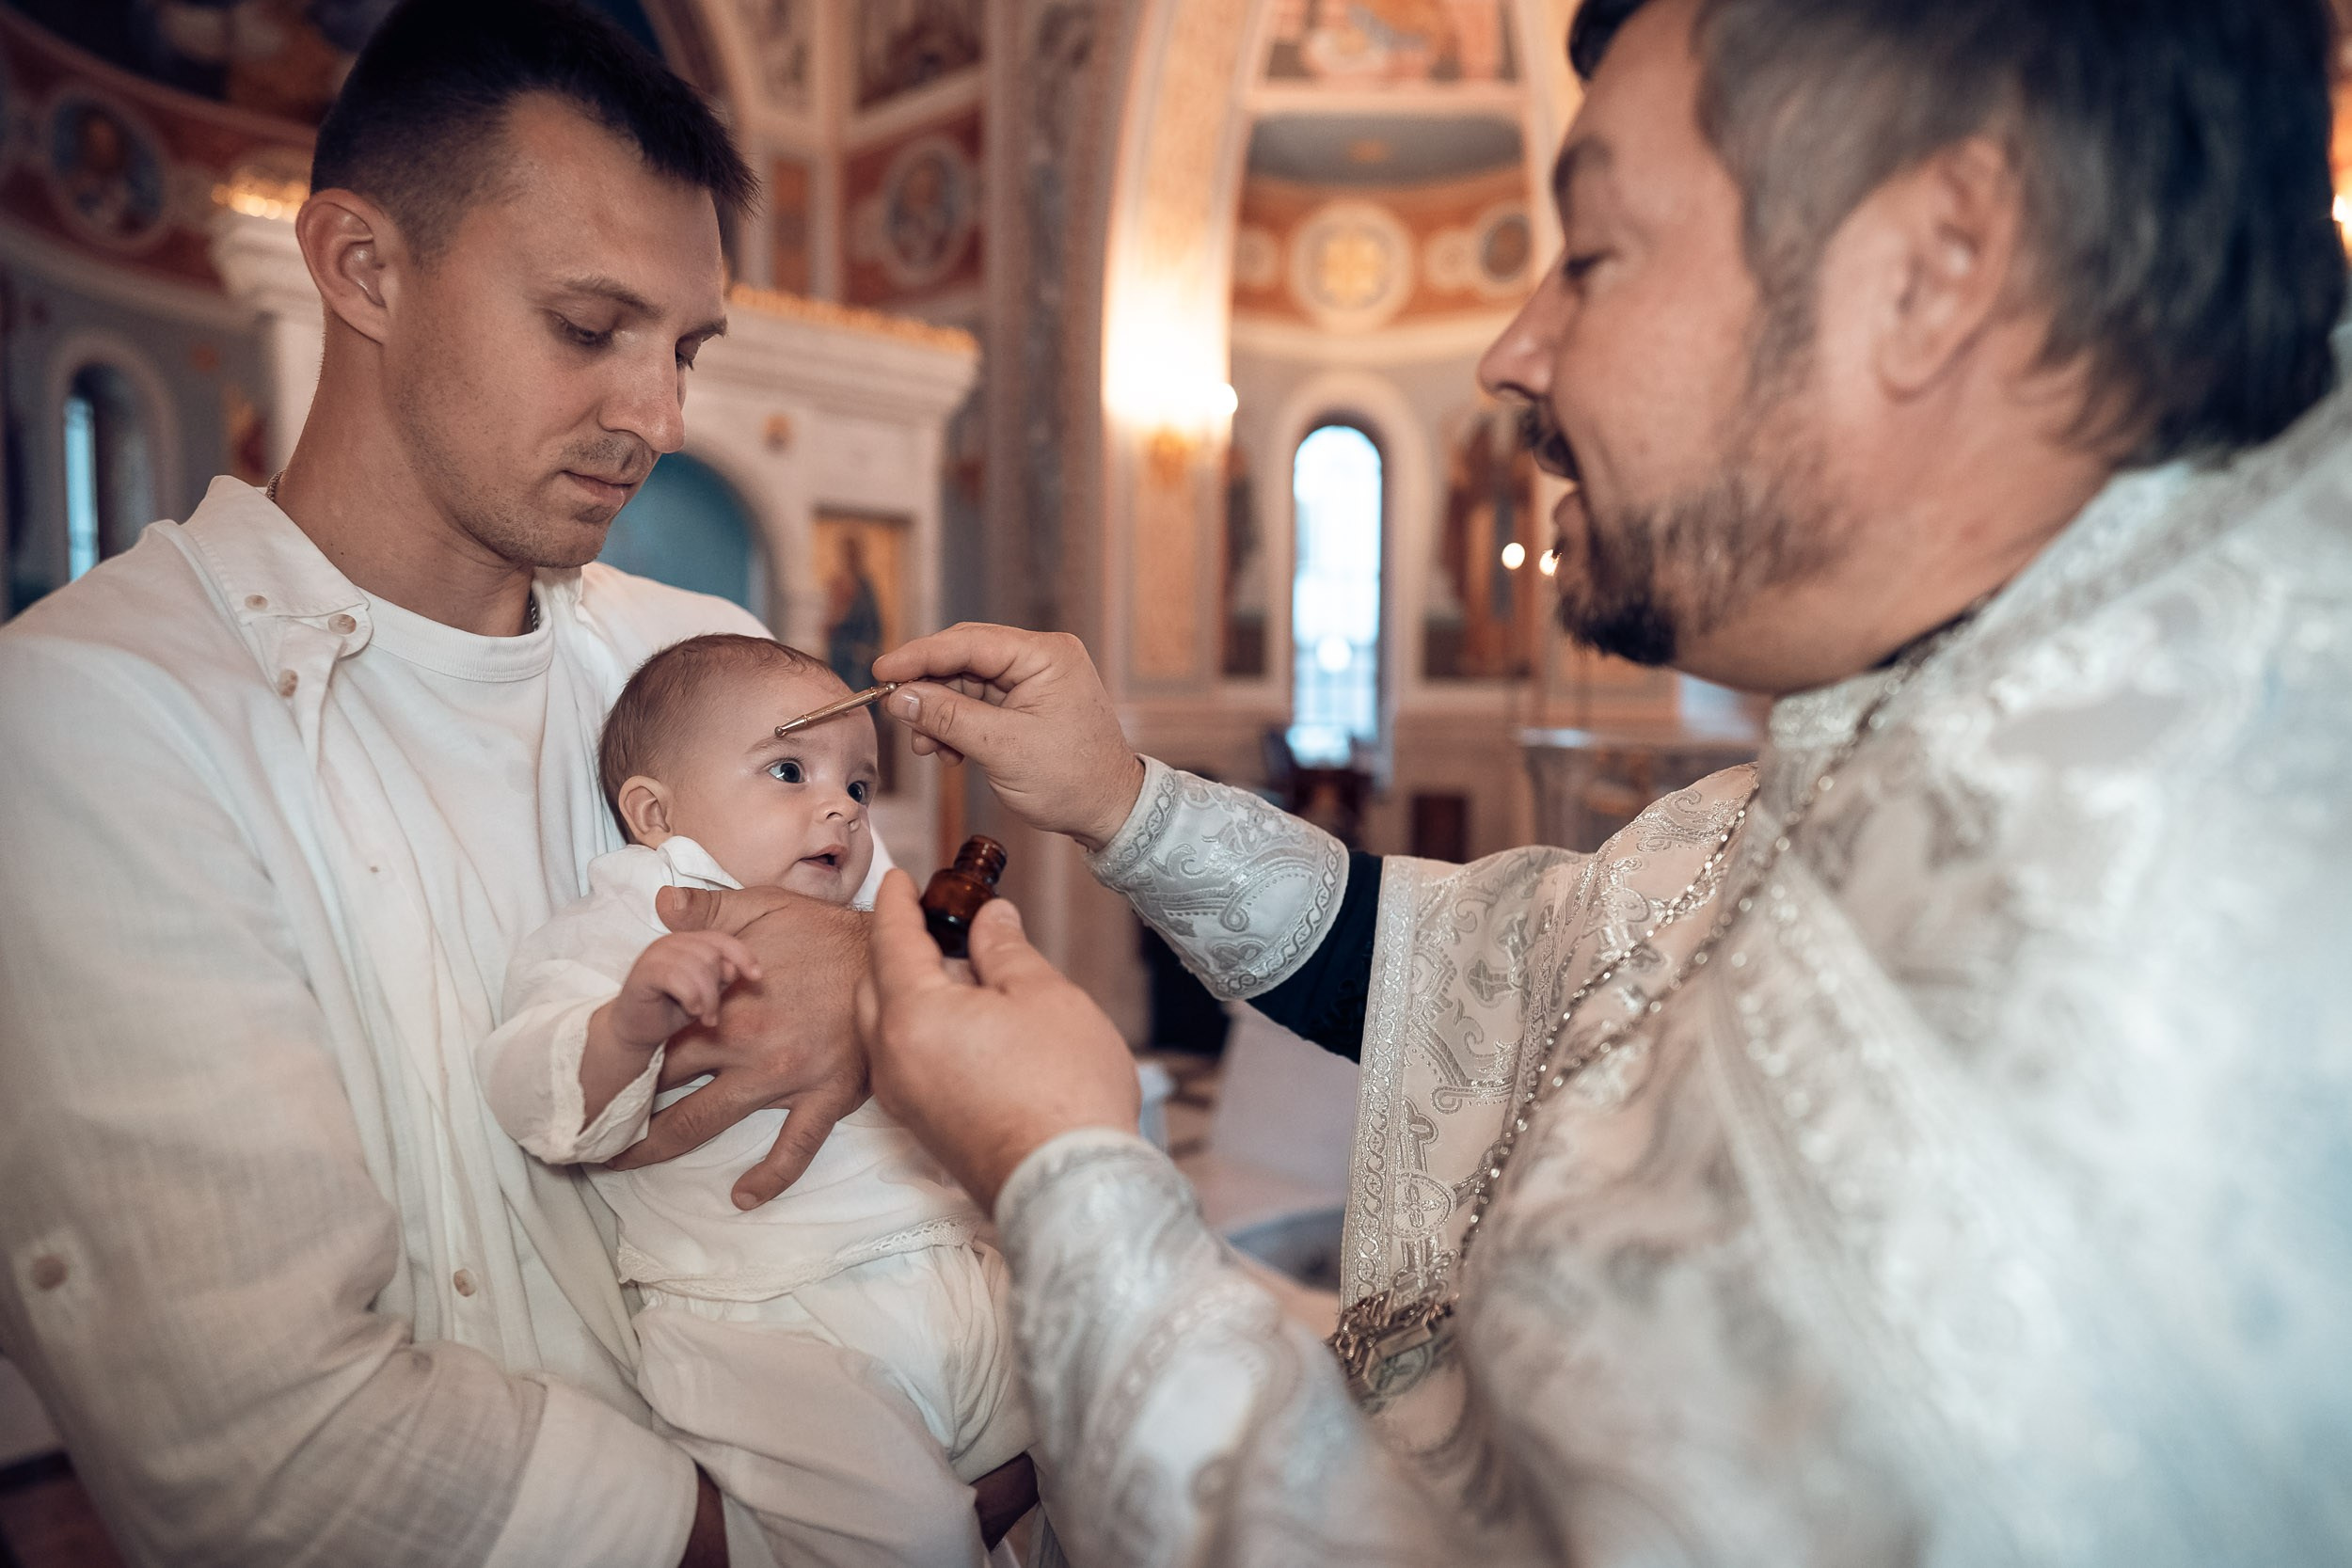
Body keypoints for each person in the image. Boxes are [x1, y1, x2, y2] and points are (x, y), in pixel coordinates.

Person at [819, 0, 2352, 1562]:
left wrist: (1065, 1171)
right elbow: (1506, 970)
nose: (1513, 353)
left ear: (1936, 267)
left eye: (1595, 254)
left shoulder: (2123, 1005)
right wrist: (1120, 796)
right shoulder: (1996, 707)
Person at [0, 1, 1036, 1561]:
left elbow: (938, 1019)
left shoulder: (709, 651)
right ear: (361, 267)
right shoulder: (89, 715)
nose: (659, 419)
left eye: (683, 347)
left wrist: (882, 984)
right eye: (587, 325)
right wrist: (840, 1537)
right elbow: (274, 1441)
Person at [481, 634, 1034, 1567]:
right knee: (916, 1533)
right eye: (790, 768)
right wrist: (625, 1023)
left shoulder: (865, 926)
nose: (841, 808)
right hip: (771, 1317)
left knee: (1124, 1413)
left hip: (948, 1271)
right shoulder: (631, 924)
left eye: (859, 786)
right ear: (654, 812)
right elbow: (530, 1086)